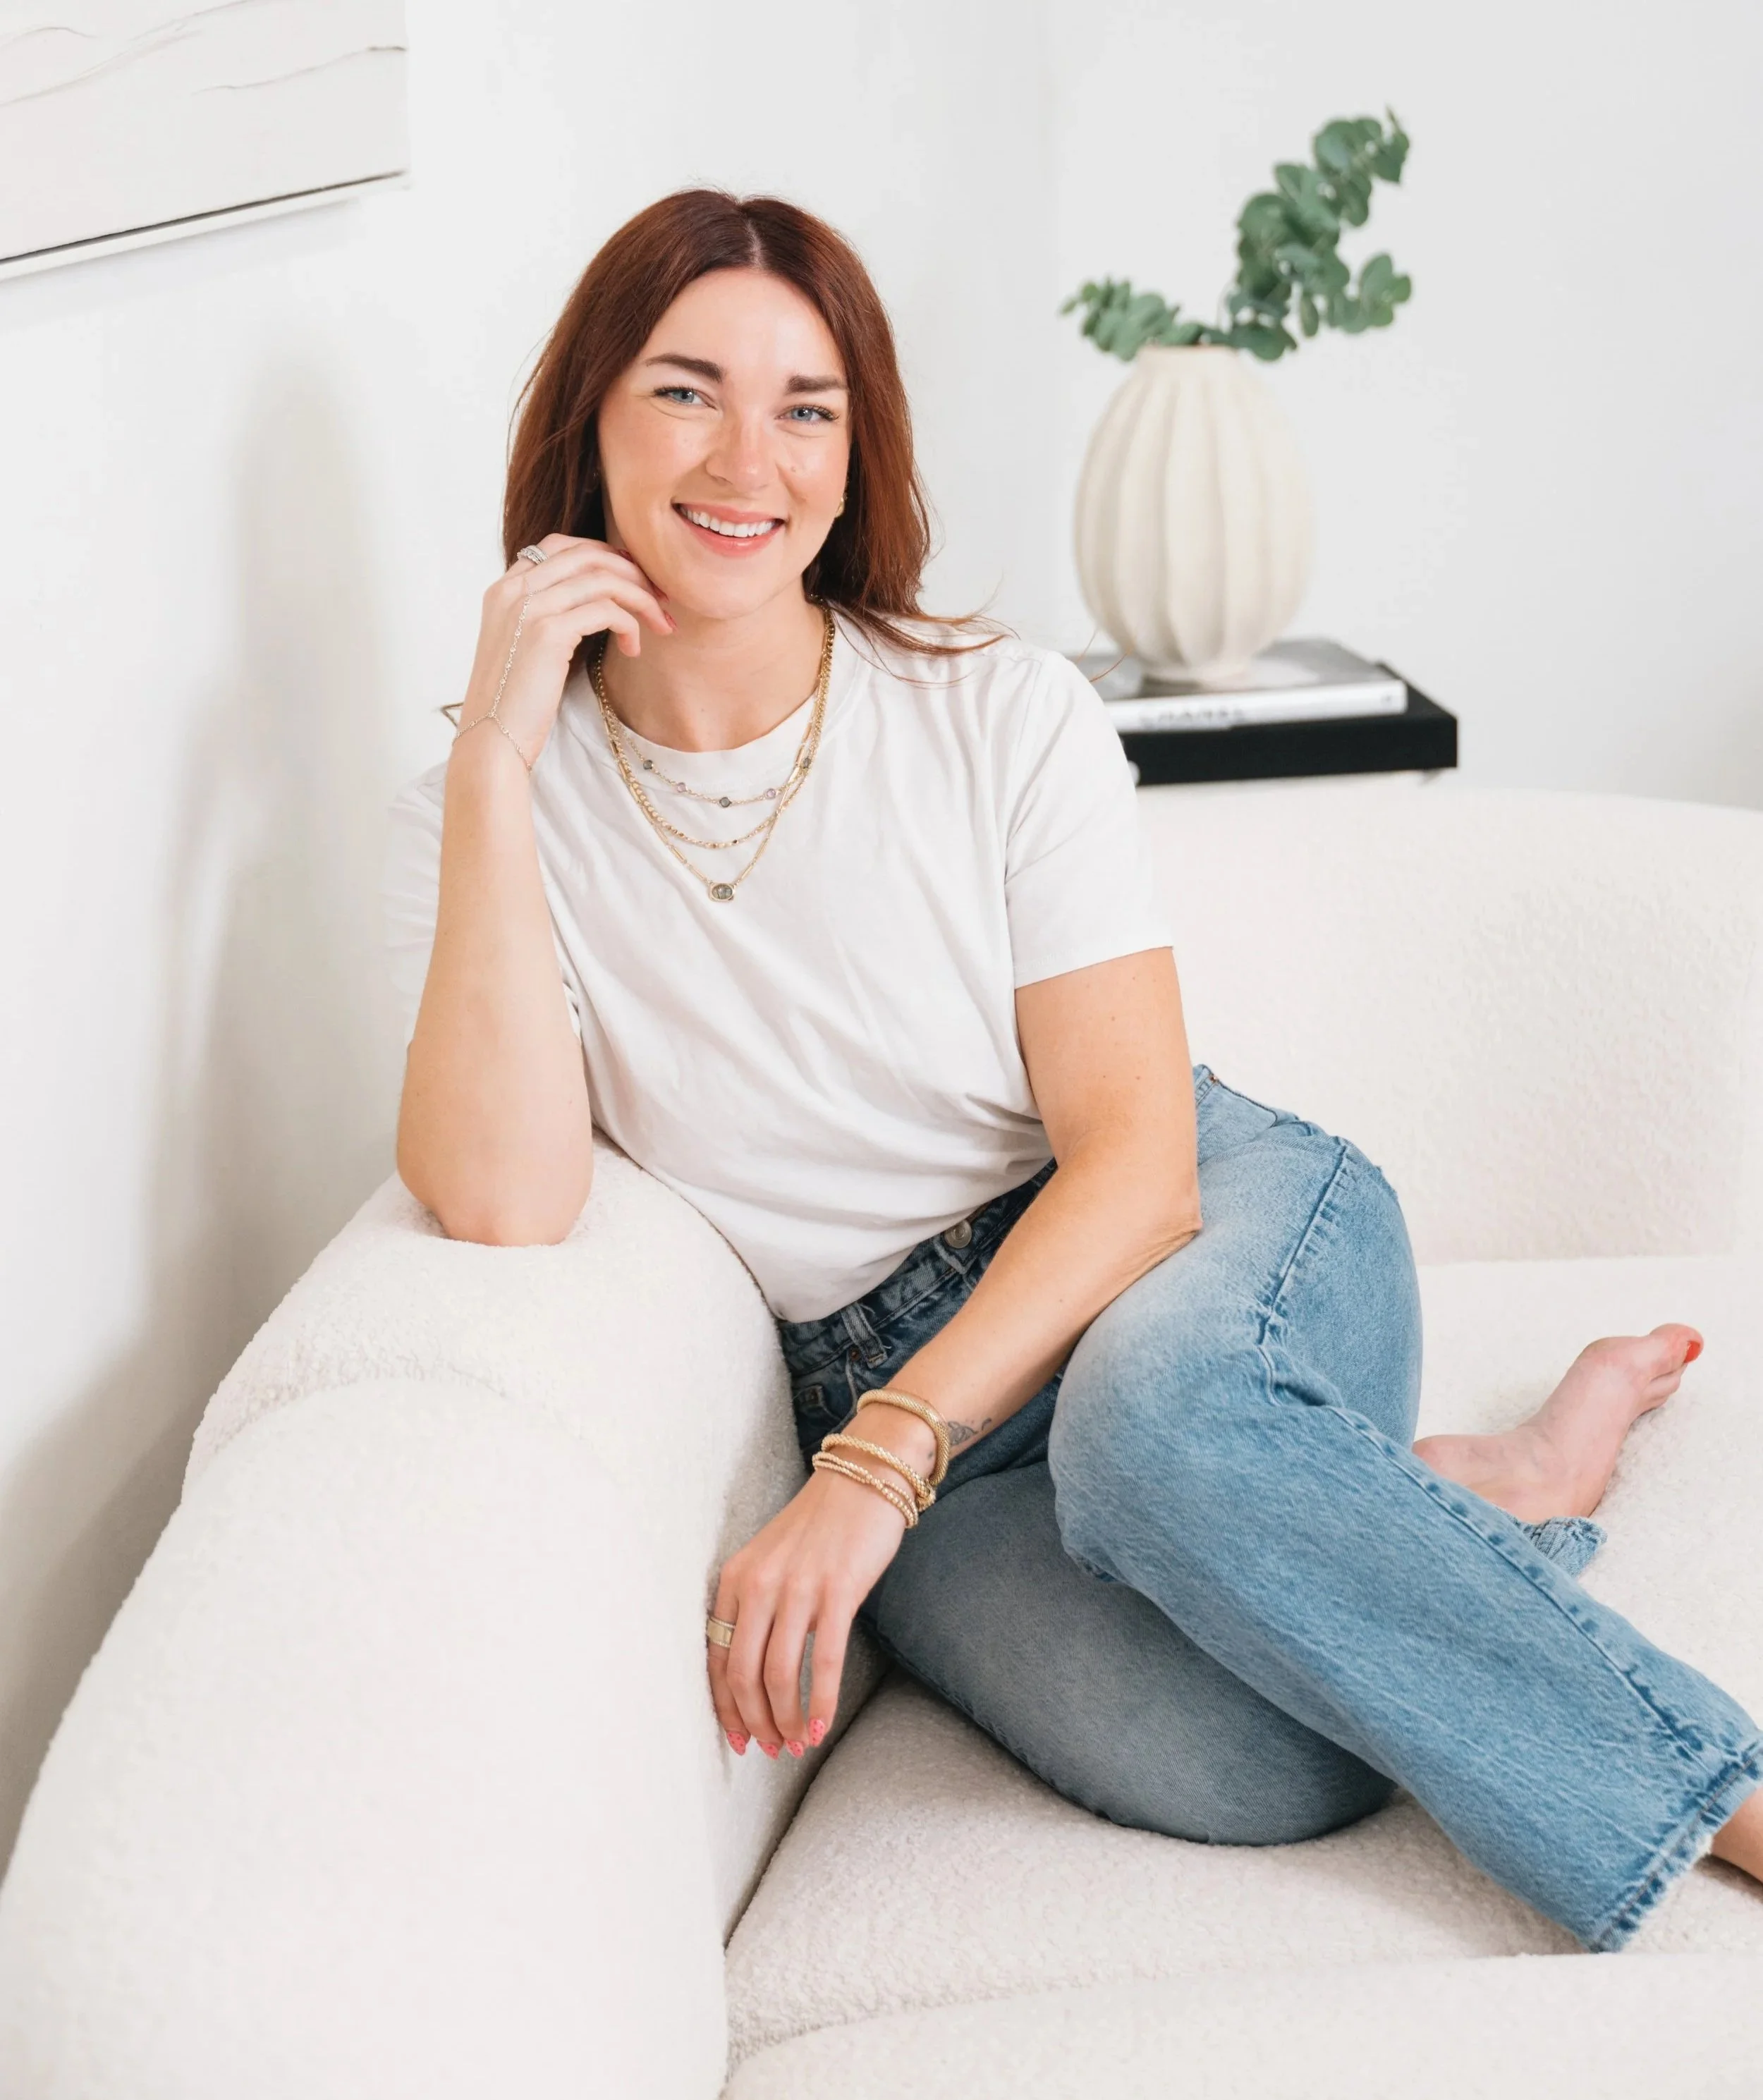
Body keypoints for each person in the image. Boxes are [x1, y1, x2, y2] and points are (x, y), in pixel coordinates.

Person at [384, 188, 1763, 1952]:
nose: (749, 457)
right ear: (587, 416)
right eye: (683, 390)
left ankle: (1714, 1791)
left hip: (1187, 1241)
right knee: (1266, 1767)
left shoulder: (992, 710)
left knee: (1153, 1420)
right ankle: (1485, 1487)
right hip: (937, 1418)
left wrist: (866, 1472)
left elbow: (1131, 1162)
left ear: (854, 447)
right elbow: (504, 1196)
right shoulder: (485, 814)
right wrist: (499, 762)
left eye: (807, 406)